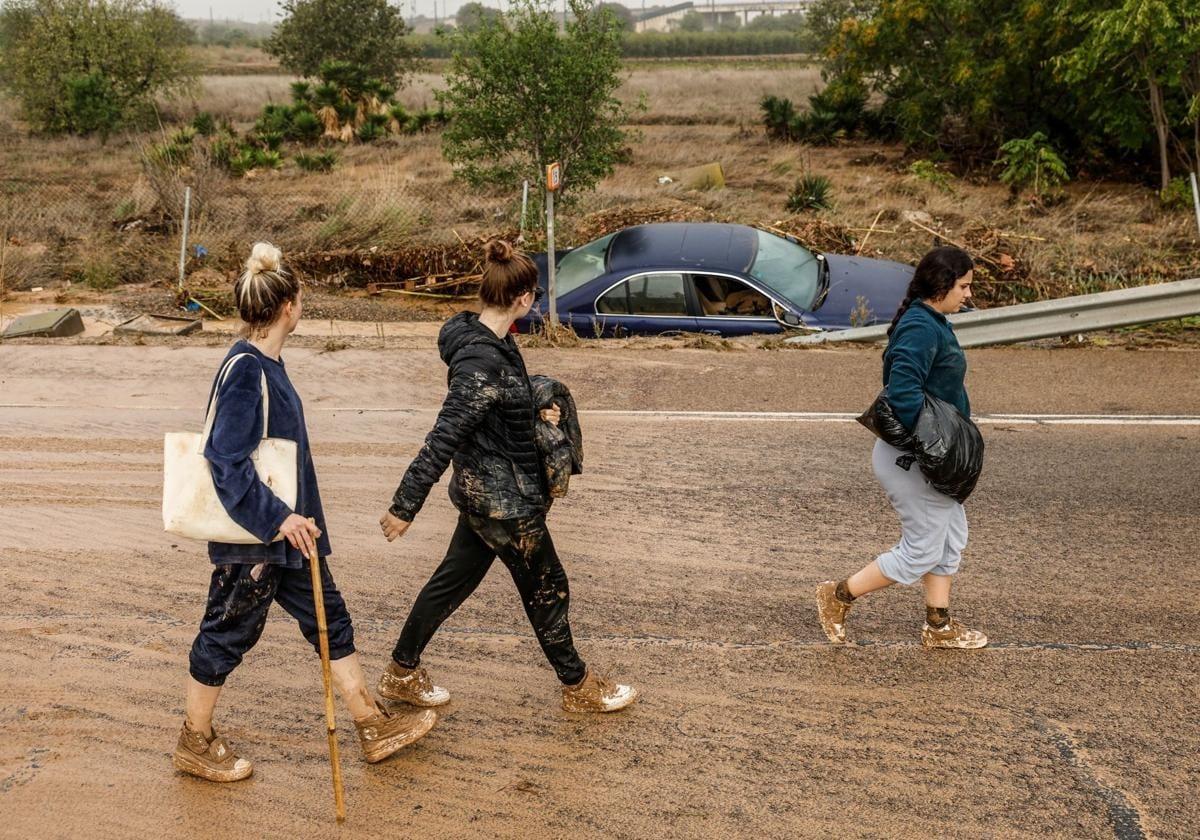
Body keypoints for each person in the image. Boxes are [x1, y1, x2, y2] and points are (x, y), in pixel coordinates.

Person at [174, 242, 437, 783]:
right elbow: (225, 460)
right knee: (227, 633)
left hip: (292, 536)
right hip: (258, 539)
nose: (302, 303)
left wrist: (296, 522)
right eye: (300, 297)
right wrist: (280, 519)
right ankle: (194, 740)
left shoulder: (265, 361)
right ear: (287, 305)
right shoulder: (247, 369)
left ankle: (369, 722)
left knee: (330, 621)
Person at [378, 239, 638, 713]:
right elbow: (444, 436)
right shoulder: (480, 364)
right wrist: (404, 507)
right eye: (534, 297)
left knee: (449, 584)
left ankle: (401, 672)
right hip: (505, 503)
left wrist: (539, 413)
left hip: (487, 494)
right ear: (522, 299)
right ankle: (578, 685)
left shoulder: (492, 340)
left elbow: (498, 408)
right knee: (547, 587)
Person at [816, 246, 988, 650]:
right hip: (914, 456)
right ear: (942, 285)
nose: (968, 295)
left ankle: (938, 625)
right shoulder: (921, 327)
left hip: (925, 455)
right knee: (922, 550)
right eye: (963, 287)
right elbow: (903, 393)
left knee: (949, 538)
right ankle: (837, 596)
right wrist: (934, 451)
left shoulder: (933, 320)